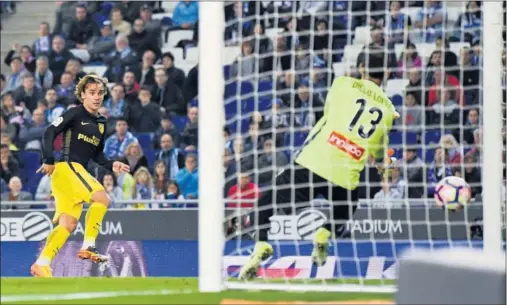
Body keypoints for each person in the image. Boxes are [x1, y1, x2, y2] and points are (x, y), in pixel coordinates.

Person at [238, 52, 400, 280]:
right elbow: (379, 154)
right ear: (388, 73)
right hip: (345, 171)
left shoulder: (342, 83)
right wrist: (387, 165)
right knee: (347, 206)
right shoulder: (389, 111)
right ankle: (324, 233)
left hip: (315, 160)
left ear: (361, 67)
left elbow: (330, 115)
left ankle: (261, 243)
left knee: (267, 202)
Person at [31, 74, 130, 278]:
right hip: (67, 168)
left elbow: (98, 155)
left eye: (100, 93)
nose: (96, 97)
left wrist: (113, 164)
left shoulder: (101, 123)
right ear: (83, 94)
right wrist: (48, 158)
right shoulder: (74, 113)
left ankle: (42, 263)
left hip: (71, 175)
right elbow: (49, 132)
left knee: (68, 225)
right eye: (92, 93)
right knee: (102, 198)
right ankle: (89, 246)